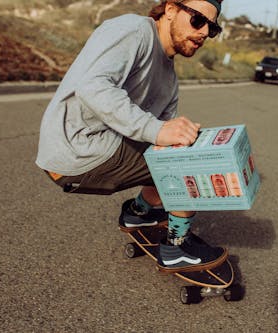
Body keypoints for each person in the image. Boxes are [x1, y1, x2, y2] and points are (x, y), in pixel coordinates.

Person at [36, 0, 227, 273]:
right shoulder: (134, 30)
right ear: (170, 9)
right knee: (187, 165)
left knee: (179, 148)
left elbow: (161, 142)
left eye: (213, 28)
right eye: (197, 20)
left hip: (96, 147)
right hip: (77, 146)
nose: (204, 33)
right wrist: (159, 131)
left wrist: (173, 136)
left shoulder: (169, 80)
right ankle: (177, 247)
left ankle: (140, 213)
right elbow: (92, 87)